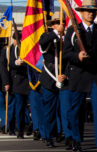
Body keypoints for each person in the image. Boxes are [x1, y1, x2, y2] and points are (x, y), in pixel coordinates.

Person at [64, 0, 97, 152]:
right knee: (76, 110)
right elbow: (66, 53)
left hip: (96, 75)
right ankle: (76, 140)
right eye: (88, 11)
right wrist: (77, 56)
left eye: (93, 11)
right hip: (78, 75)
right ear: (82, 12)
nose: (91, 14)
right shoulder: (73, 31)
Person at [39, 12, 67, 147]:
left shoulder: (68, 37)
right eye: (56, 23)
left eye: (61, 23)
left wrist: (66, 74)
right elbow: (42, 43)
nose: (60, 25)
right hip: (49, 79)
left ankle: (65, 135)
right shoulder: (47, 36)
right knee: (49, 111)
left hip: (65, 78)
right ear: (52, 25)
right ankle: (48, 135)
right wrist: (56, 33)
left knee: (65, 110)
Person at [0, 31, 30, 138]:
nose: (19, 42)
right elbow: (3, 68)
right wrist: (6, 82)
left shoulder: (25, 48)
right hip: (14, 82)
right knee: (15, 107)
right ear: (13, 40)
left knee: (27, 107)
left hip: (27, 81)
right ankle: (15, 128)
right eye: (17, 40)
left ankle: (30, 126)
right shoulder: (7, 50)